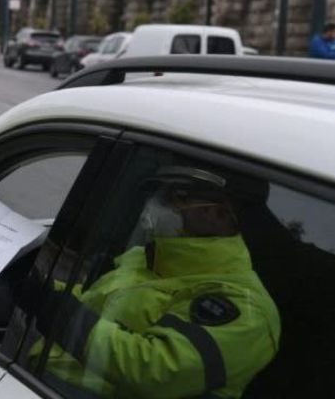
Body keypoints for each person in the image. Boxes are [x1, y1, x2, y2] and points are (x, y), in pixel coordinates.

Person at [31, 166, 280, 398]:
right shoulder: (148, 258)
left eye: (174, 197)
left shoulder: (244, 307)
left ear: (218, 215)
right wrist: (42, 285)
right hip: (40, 378)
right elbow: (98, 300)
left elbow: (154, 369)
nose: (155, 204)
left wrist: (60, 313)